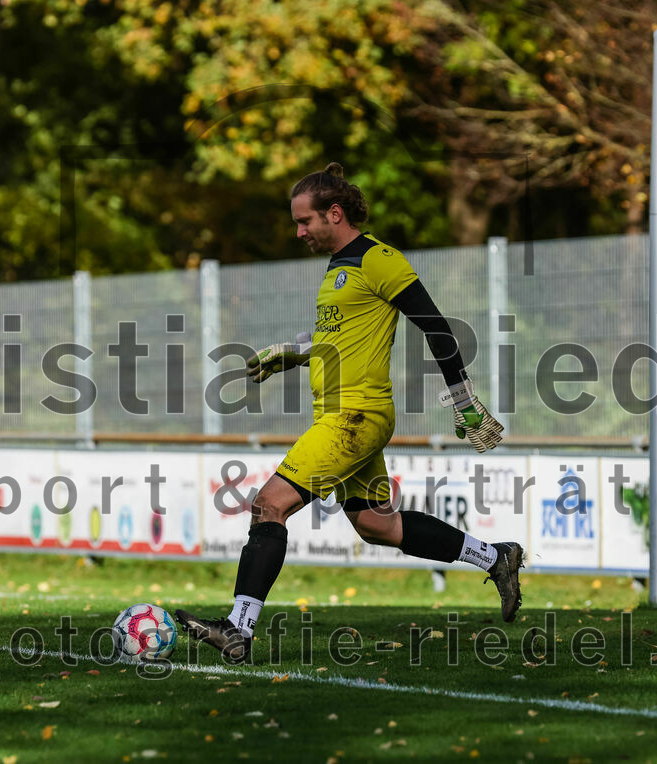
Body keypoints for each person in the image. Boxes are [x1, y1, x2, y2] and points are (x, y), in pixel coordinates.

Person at [176, 162, 523, 663]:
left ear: (333, 214)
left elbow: (436, 325)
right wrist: (293, 353)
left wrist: (463, 399)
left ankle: (238, 629)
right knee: (376, 525)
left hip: (353, 418)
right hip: (343, 416)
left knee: (269, 505)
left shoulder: (379, 259)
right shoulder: (339, 269)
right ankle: (496, 557)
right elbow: (337, 338)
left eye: (305, 221)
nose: (299, 232)